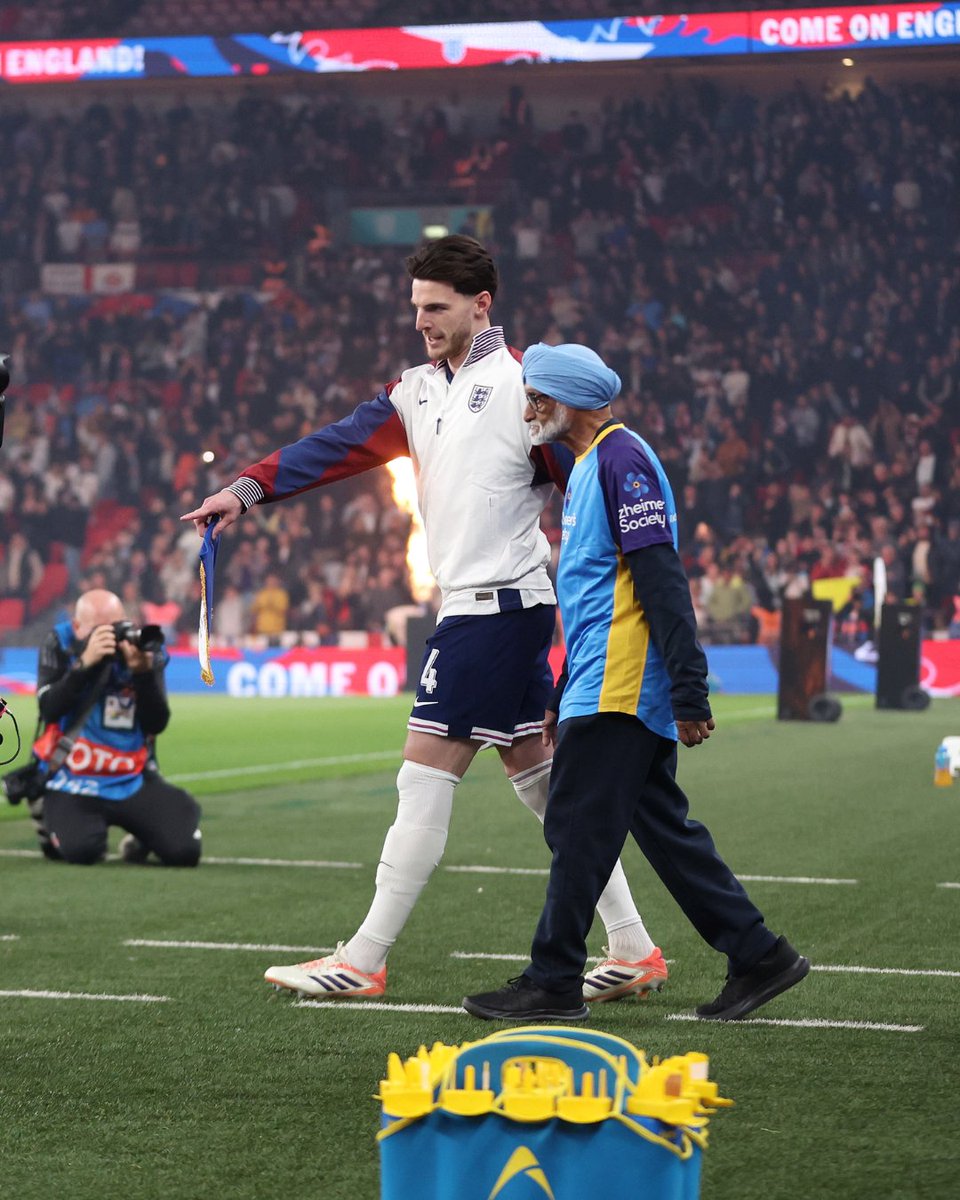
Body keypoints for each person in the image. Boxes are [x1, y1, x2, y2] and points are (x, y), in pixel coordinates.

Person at [182, 236, 666, 1003]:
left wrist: (615, 600)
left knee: (421, 775)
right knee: (541, 783)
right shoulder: (413, 391)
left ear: (482, 306)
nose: (422, 322)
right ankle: (634, 945)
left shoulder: (523, 389)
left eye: (436, 308)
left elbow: (592, 485)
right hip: (486, 612)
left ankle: (366, 957)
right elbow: (336, 446)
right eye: (416, 309)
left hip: (497, 613)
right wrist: (244, 491)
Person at [463, 343, 809, 1023]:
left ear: (572, 401)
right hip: (603, 677)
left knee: (576, 824)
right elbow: (595, 595)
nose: (529, 410)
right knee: (662, 831)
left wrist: (689, 687)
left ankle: (553, 979)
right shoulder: (598, 463)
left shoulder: (621, 460)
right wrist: (564, 695)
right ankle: (759, 953)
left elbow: (660, 577)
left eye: (538, 398)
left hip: (622, 682)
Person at [31, 588, 202, 866]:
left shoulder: (144, 646)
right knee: (83, 852)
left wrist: (142, 673)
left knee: (184, 852)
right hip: (73, 778)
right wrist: (85, 665)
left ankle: (143, 834)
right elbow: (49, 710)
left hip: (132, 776)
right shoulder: (60, 643)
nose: (111, 635)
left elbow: (156, 723)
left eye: (116, 626)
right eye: (100, 629)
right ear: (77, 627)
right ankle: (47, 810)